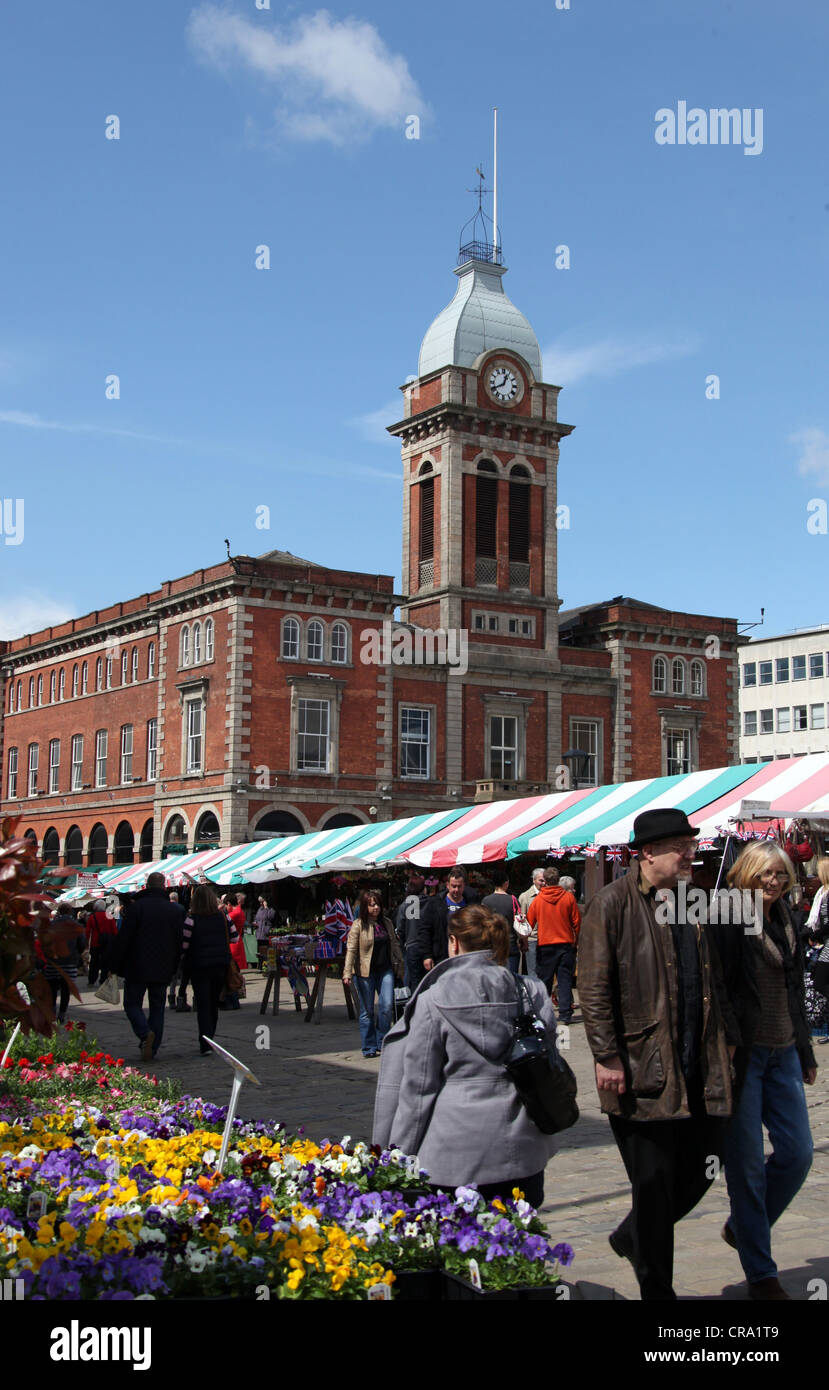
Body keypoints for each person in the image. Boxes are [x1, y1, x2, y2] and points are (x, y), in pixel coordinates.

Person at [578, 808, 737, 1302]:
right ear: (648, 853)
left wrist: (727, 1038)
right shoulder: (612, 904)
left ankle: (632, 1235)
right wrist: (606, 1057)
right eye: (680, 847)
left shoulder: (696, 902)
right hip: (642, 1065)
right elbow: (595, 987)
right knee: (653, 1182)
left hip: (698, 1064)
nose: (691, 854)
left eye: (691, 845)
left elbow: (714, 978)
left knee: (709, 1159)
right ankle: (657, 1292)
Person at [373, 905, 560, 1207]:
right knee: (518, 1246)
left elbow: (418, 1090)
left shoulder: (433, 999)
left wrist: (397, 1155)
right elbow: (549, 1062)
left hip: (453, 1156)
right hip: (523, 1149)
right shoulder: (531, 992)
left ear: (454, 942)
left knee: (463, 1248)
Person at [710, 841, 817, 1301]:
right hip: (745, 1054)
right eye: (765, 874)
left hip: (784, 1049)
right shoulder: (726, 916)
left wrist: (806, 1049)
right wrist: (730, 1044)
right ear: (746, 872)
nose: (773, 882)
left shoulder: (786, 917)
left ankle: (744, 1226)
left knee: (798, 1154)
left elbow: (793, 985)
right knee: (747, 1166)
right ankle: (761, 1274)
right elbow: (719, 985)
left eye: (781, 875)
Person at [109, 872, 185, 1061]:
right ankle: (153, 1046)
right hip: (163, 965)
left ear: (147, 885)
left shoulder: (137, 908)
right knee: (158, 1007)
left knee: (132, 1004)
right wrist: (175, 965)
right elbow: (179, 942)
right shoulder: (175, 910)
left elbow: (124, 939)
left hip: (137, 965)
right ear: (164, 886)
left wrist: (114, 965)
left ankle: (145, 1034)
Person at [343, 889, 405, 1057]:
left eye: (377, 904)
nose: (375, 908)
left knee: (386, 1006)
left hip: (385, 970)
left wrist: (401, 966)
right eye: (371, 905)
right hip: (365, 972)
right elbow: (351, 950)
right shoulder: (358, 925)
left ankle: (382, 1040)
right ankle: (369, 1046)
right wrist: (347, 972)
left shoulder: (386, 923)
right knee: (367, 1011)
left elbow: (394, 945)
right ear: (365, 907)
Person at [181, 884, 232, 1055]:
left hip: (199, 966)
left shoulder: (191, 919)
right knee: (213, 1002)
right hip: (220, 965)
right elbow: (235, 937)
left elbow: (184, 944)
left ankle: (206, 1042)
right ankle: (210, 1038)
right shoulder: (223, 917)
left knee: (203, 1004)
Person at [527, 867, 581, 1023]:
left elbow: (529, 924)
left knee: (545, 981)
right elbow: (577, 922)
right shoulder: (568, 898)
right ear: (558, 880)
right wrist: (575, 941)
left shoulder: (538, 900)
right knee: (565, 980)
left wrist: (524, 939)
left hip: (545, 945)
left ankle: (544, 1013)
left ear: (545, 881)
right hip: (565, 944)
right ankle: (565, 1013)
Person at [415, 867, 477, 973]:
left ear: (464, 886)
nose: (456, 890)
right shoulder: (435, 903)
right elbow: (424, 930)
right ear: (447, 885)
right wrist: (426, 955)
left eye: (459, 886)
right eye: (453, 886)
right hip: (441, 956)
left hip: (465, 956)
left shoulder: (471, 904)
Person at [43, 903, 87, 1023]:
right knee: (66, 989)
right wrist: (76, 954)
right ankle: (62, 1014)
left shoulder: (50, 925)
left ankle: (52, 1011)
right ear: (70, 912)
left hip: (53, 962)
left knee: (52, 989)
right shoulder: (76, 926)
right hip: (70, 962)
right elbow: (82, 944)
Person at [481, 869, 521, 975]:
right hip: (510, 945)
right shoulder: (513, 900)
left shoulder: (485, 901)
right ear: (506, 883)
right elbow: (520, 923)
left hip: (491, 946)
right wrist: (524, 942)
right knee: (511, 979)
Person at [394, 874, 428, 991]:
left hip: (411, 946)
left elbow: (400, 928)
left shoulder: (407, 904)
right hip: (427, 946)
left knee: (413, 980)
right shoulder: (428, 902)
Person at [85, 898, 118, 988]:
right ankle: (103, 980)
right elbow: (114, 931)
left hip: (95, 942)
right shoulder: (109, 916)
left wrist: (86, 943)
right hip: (107, 943)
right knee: (106, 962)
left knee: (94, 962)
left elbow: (88, 931)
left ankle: (91, 980)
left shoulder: (92, 917)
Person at [519, 867, 545, 977]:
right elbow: (521, 921)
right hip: (532, 939)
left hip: (546, 939)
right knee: (532, 972)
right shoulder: (525, 897)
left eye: (545, 880)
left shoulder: (548, 896)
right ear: (533, 880)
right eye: (541, 880)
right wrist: (523, 940)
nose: (543, 883)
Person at [254, 895, 276, 966]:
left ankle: (267, 966)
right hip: (259, 933)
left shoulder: (271, 909)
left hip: (266, 933)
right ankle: (260, 966)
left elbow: (270, 917)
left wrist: (266, 908)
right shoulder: (259, 909)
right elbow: (257, 918)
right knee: (260, 951)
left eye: (262, 902)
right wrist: (255, 923)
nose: (261, 904)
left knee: (267, 951)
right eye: (260, 902)